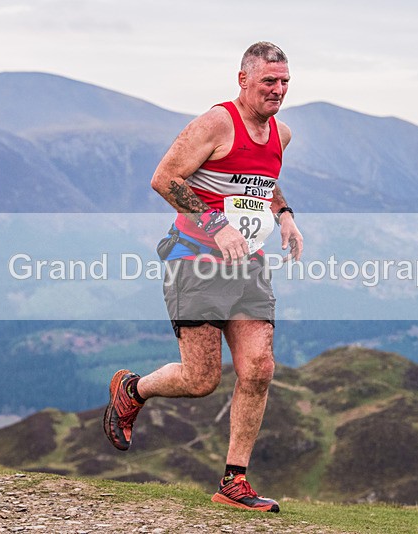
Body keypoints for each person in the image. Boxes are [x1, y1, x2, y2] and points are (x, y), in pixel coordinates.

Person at [103, 41, 302, 514]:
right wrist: (217, 224)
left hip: (248, 263)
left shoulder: (281, 133)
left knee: (259, 369)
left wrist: (285, 215)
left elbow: (260, 180)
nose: (278, 90)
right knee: (200, 379)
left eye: (284, 82)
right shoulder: (217, 122)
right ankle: (133, 390)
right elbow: (165, 178)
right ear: (243, 80)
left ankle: (235, 481)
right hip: (194, 259)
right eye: (268, 81)